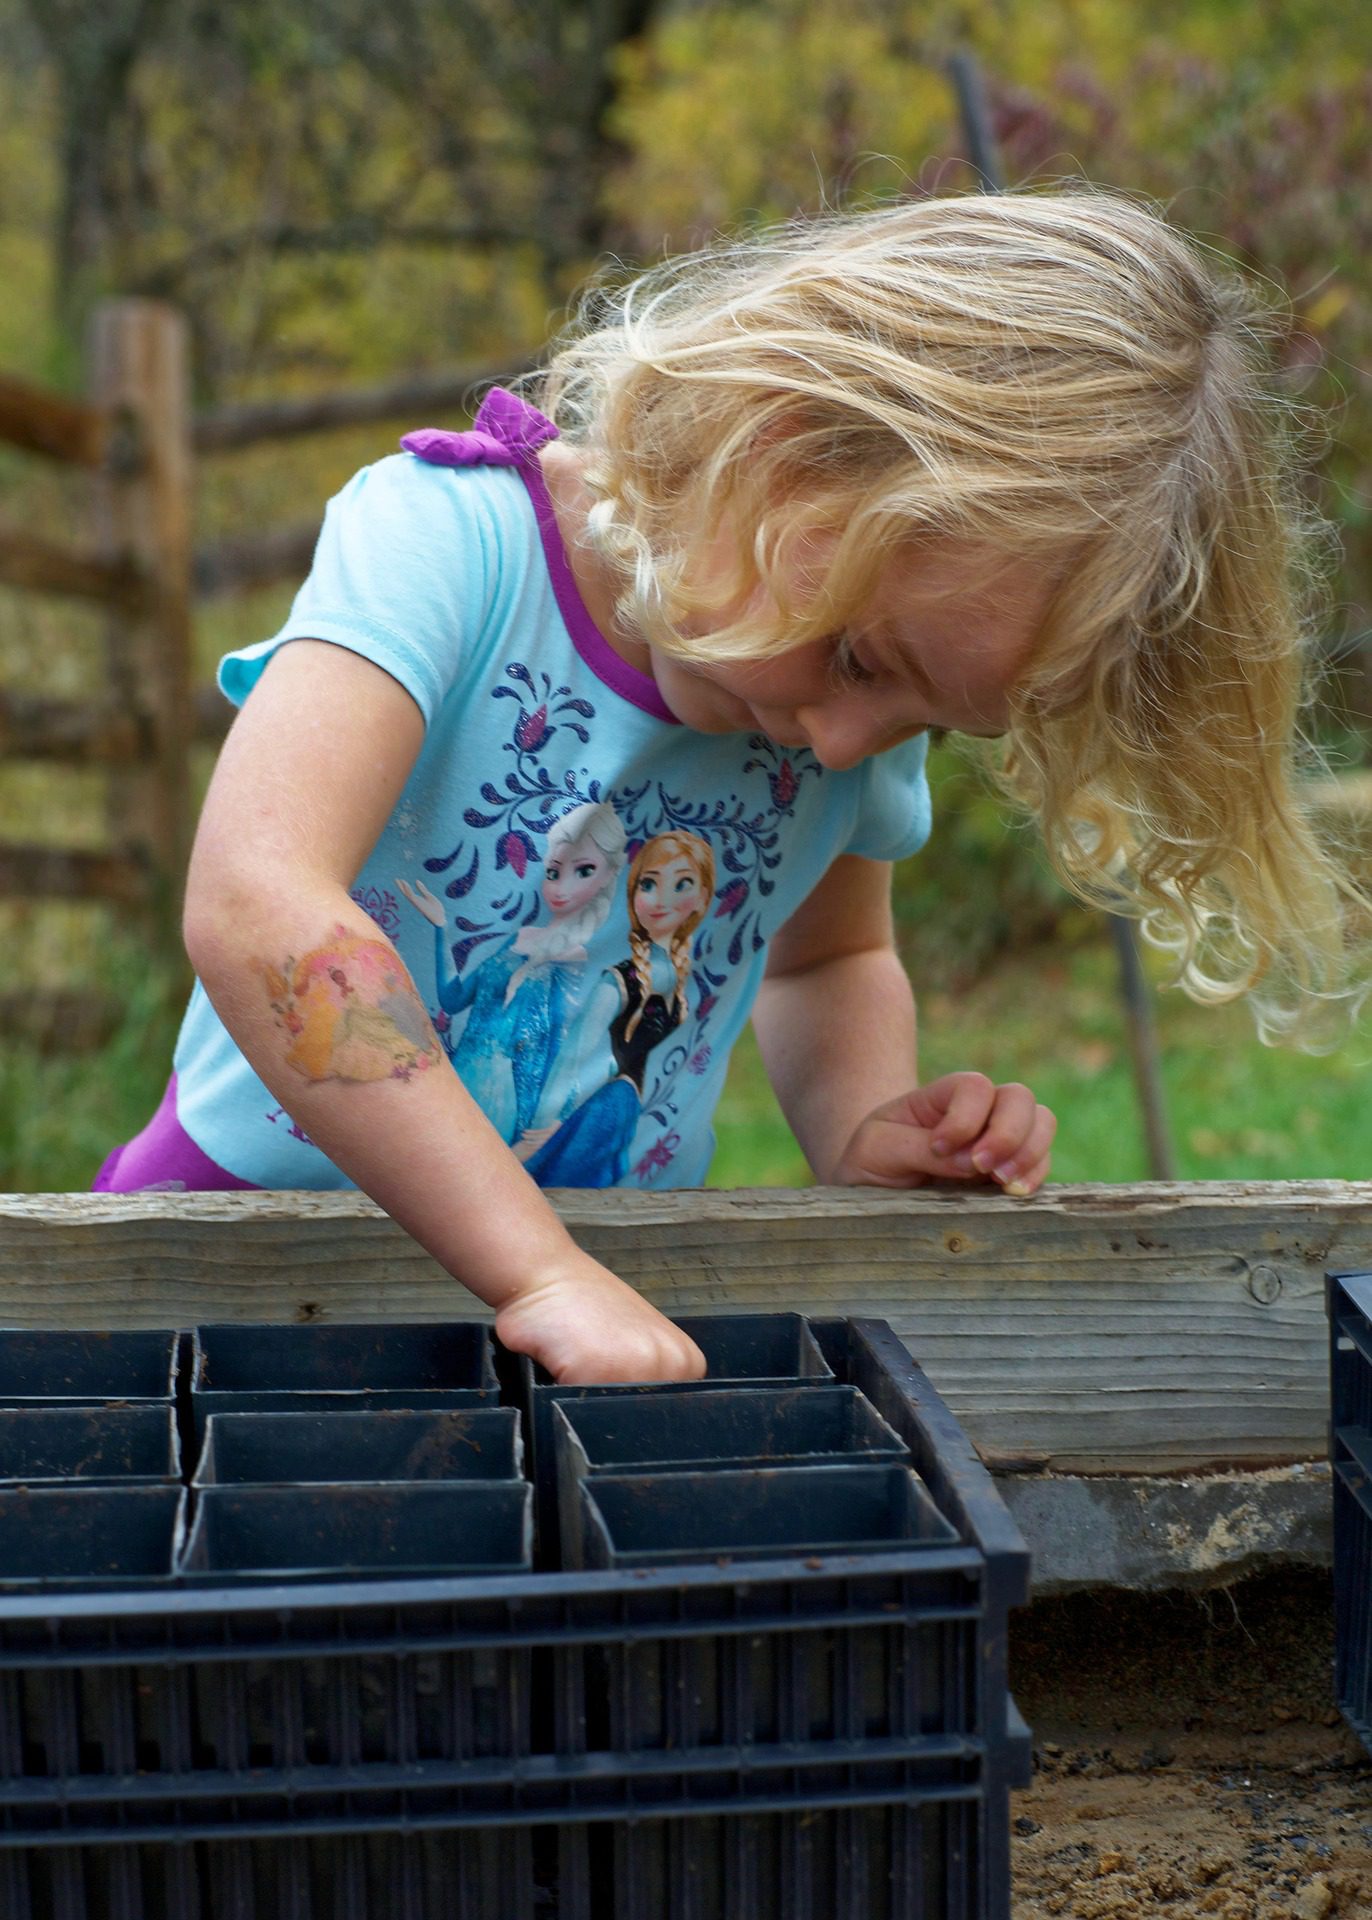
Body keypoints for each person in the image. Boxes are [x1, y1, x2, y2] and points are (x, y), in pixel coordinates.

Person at [94, 187, 1362, 1386]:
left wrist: (864, 1129)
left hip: (601, 1298)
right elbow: (260, 905)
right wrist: (531, 1262)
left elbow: (827, 963)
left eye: (922, 715)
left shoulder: (832, 713)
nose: (852, 745)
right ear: (780, 442)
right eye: (865, 659)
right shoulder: (451, 543)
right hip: (230, 1265)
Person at [396, 799, 628, 1146]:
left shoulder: (573, 959)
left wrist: (545, 1119)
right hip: (459, 1074)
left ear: (609, 875)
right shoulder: (517, 940)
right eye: (553, 872)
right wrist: (441, 927)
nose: (562, 887)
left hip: (502, 1090)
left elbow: (557, 1044)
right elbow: (454, 998)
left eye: (584, 871)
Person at [521, 829, 716, 1186]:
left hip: (626, 1112)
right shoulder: (619, 981)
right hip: (601, 1111)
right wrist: (546, 1125)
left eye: (681, 884)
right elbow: (572, 1056)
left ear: (703, 898)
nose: (660, 900)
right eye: (649, 885)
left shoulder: (674, 972)